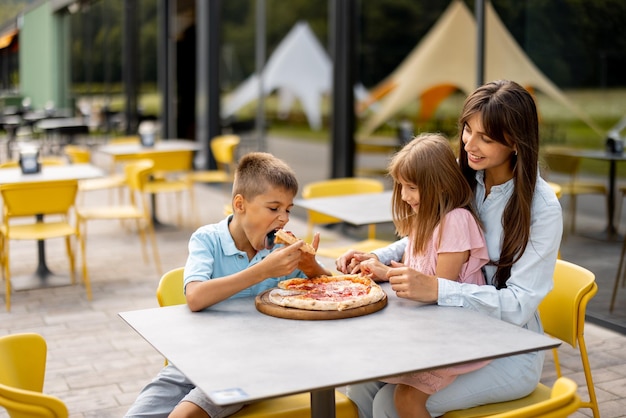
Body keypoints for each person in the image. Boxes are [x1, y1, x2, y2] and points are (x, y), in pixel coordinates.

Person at [336, 79, 563, 418]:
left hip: (511, 348)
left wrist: (439, 289)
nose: (470, 144)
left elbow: (518, 305)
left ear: (515, 141)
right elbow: (432, 234)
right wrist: (380, 257)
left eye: (485, 138)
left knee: (390, 403)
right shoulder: (466, 175)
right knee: (361, 384)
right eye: (467, 130)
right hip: (452, 334)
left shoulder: (541, 208)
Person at [125, 152, 331, 418]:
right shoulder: (207, 240)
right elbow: (195, 297)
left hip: (249, 364)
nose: (284, 219)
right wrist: (261, 271)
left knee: (183, 416)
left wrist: (311, 267)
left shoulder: (280, 253)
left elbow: (329, 293)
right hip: (195, 357)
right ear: (240, 204)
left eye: (288, 210)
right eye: (273, 208)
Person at [354, 133, 489, 418]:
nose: (404, 196)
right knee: (361, 377)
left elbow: (439, 288)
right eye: (401, 186)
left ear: (439, 185)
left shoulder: (456, 220)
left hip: (454, 339)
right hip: (427, 334)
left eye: (412, 187)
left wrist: (388, 273)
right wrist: (377, 271)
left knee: (405, 399)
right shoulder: (424, 220)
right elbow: (415, 273)